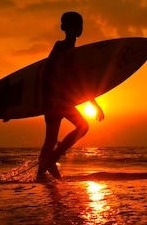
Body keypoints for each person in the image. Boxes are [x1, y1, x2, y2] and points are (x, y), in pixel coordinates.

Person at [37, 11, 104, 181]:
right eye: (75, 25)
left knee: (51, 140)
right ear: (64, 28)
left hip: (61, 100)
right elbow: (47, 71)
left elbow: (80, 82)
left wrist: (94, 104)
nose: (79, 28)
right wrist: (45, 99)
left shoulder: (75, 52)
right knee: (81, 127)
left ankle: (43, 174)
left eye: (80, 25)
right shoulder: (60, 46)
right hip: (55, 100)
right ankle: (53, 159)